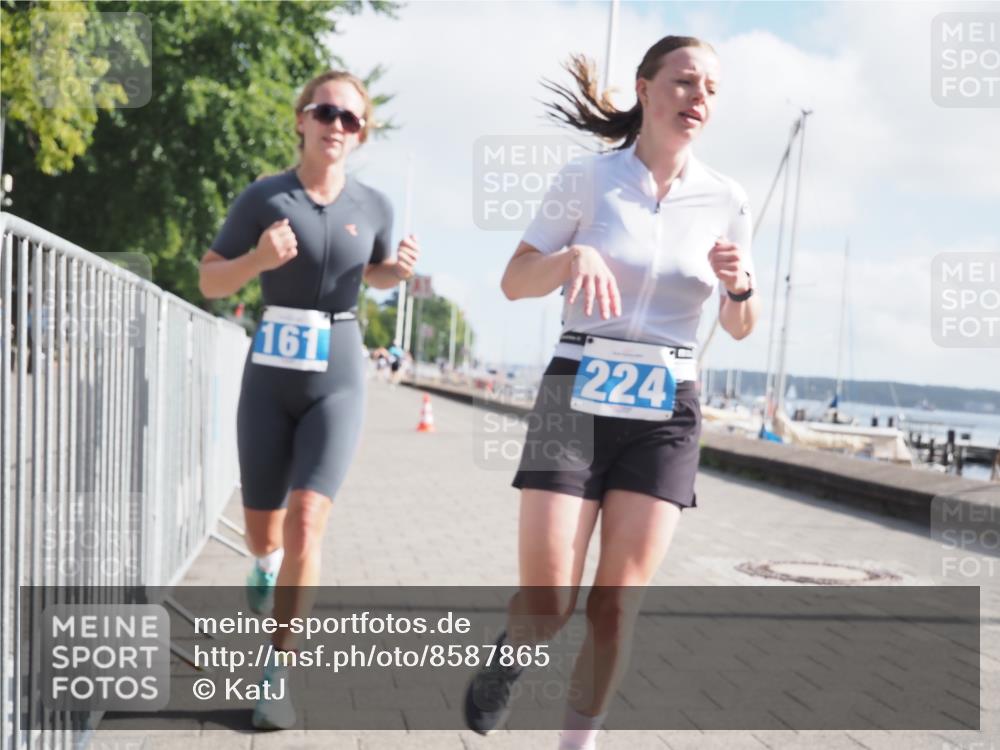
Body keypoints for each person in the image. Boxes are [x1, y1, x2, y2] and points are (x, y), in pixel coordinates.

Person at [463, 36, 759, 749]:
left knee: (616, 606)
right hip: (577, 390)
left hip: (665, 404)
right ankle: (512, 654)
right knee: (551, 603)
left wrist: (739, 285)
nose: (700, 98)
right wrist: (570, 256)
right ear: (646, 88)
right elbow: (514, 280)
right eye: (686, 81)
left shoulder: (726, 198)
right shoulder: (587, 180)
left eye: (712, 89)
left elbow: (742, 327)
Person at [198, 70, 419, 729]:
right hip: (269, 378)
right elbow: (210, 280)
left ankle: (277, 673)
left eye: (351, 119)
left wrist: (395, 273)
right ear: (301, 119)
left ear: (361, 135)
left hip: (339, 374)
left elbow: (370, 271)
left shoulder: (375, 205)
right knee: (266, 534)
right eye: (326, 112)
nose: (336, 126)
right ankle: (263, 569)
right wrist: (259, 260)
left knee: (308, 523)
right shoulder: (265, 197)